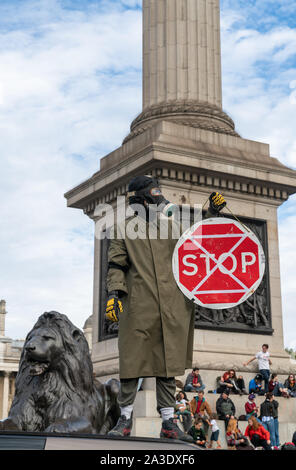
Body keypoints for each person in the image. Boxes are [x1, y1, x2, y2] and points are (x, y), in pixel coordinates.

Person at [105, 175, 227, 440]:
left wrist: (213, 212)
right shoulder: (122, 229)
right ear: (138, 200)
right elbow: (116, 264)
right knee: (132, 363)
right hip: (138, 304)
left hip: (172, 304)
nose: (158, 202)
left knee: (167, 364)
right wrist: (114, 295)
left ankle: (169, 424)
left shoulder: (172, 228)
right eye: (153, 196)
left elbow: (198, 238)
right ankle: (124, 420)